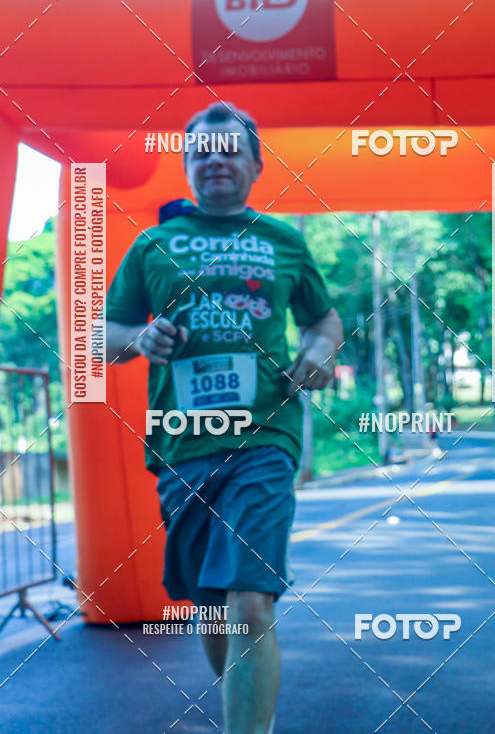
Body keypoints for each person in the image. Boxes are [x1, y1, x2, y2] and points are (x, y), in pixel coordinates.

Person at [104, 102, 343, 734]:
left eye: (231, 150)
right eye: (202, 152)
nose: (216, 160)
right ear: (185, 164)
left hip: (265, 434)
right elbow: (103, 335)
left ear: (256, 165)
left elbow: (323, 319)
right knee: (210, 607)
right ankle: (247, 703)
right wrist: (139, 338)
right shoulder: (153, 244)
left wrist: (319, 352)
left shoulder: (283, 240)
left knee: (249, 602)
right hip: (182, 444)